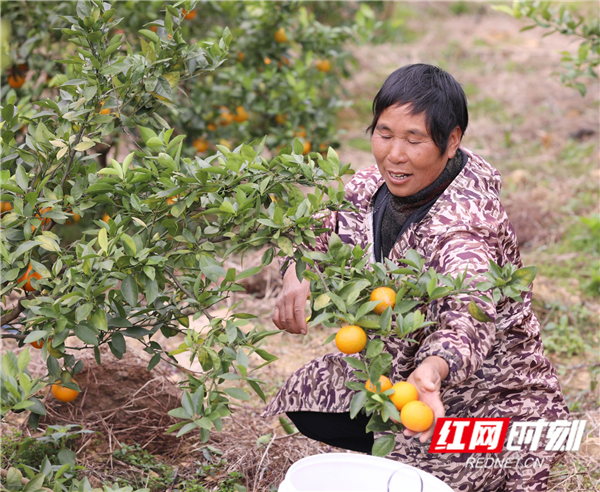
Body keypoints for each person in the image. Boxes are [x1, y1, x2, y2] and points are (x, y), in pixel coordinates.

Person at [263, 64, 569, 491]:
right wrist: (298, 270)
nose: (395, 154)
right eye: (385, 134)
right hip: (405, 375)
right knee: (309, 396)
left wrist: (432, 369)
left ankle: (495, 451)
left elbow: (470, 313)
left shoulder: (465, 225)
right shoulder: (372, 187)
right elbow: (319, 224)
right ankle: (415, 447)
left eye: (414, 140)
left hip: (493, 398)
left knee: (436, 473)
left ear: (452, 141)